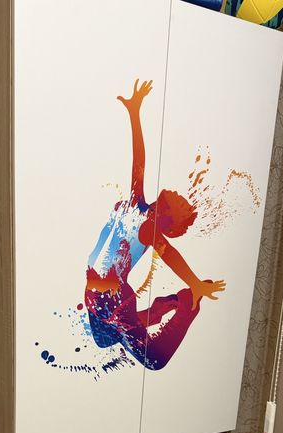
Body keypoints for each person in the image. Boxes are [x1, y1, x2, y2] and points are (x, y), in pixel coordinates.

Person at [85, 79, 225, 370]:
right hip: (97, 294)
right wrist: (134, 113)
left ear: (168, 220)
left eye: (180, 202)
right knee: (104, 339)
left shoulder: (149, 227)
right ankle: (158, 310)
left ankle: (187, 303)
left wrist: (195, 284)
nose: (177, 193)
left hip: (111, 298)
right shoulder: (137, 202)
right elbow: (139, 161)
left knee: (155, 359)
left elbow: (169, 254)